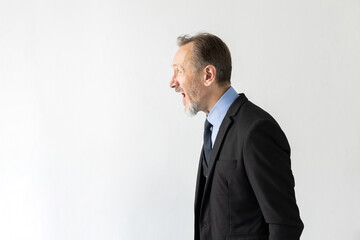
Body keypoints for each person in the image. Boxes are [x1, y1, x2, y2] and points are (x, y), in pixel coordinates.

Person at [169, 33, 304, 240]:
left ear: (208, 75)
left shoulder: (256, 130)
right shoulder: (212, 129)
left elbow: (285, 225)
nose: (173, 82)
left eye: (179, 71)